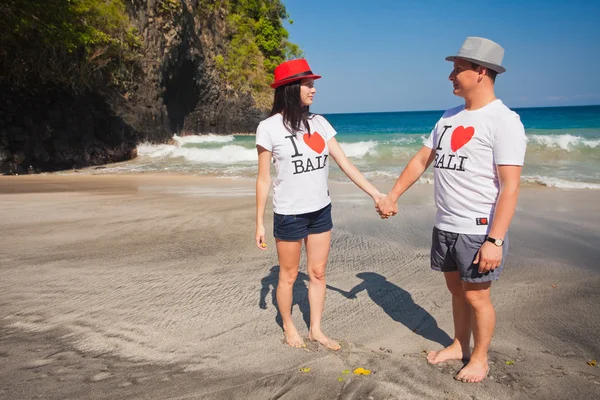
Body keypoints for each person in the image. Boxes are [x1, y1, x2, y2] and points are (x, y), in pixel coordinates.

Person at [377, 37, 527, 382]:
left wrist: (496, 240)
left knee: (477, 297)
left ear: (481, 72)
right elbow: (421, 160)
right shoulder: (448, 118)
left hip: (478, 230)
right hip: (445, 224)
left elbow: (511, 186)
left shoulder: (504, 121)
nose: (451, 76)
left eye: (458, 69)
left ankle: (480, 358)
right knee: (456, 291)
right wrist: (393, 195)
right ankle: (460, 344)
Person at [255, 59, 387, 350]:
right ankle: (289, 326)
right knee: (288, 275)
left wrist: (376, 194)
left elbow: (345, 164)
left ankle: (316, 329)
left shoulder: (320, 123)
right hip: (289, 214)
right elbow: (263, 179)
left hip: (320, 210)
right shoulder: (268, 128)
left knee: (318, 272)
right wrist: (259, 223)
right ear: (291, 88)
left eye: (313, 84)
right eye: (308, 84)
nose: (313, 90)